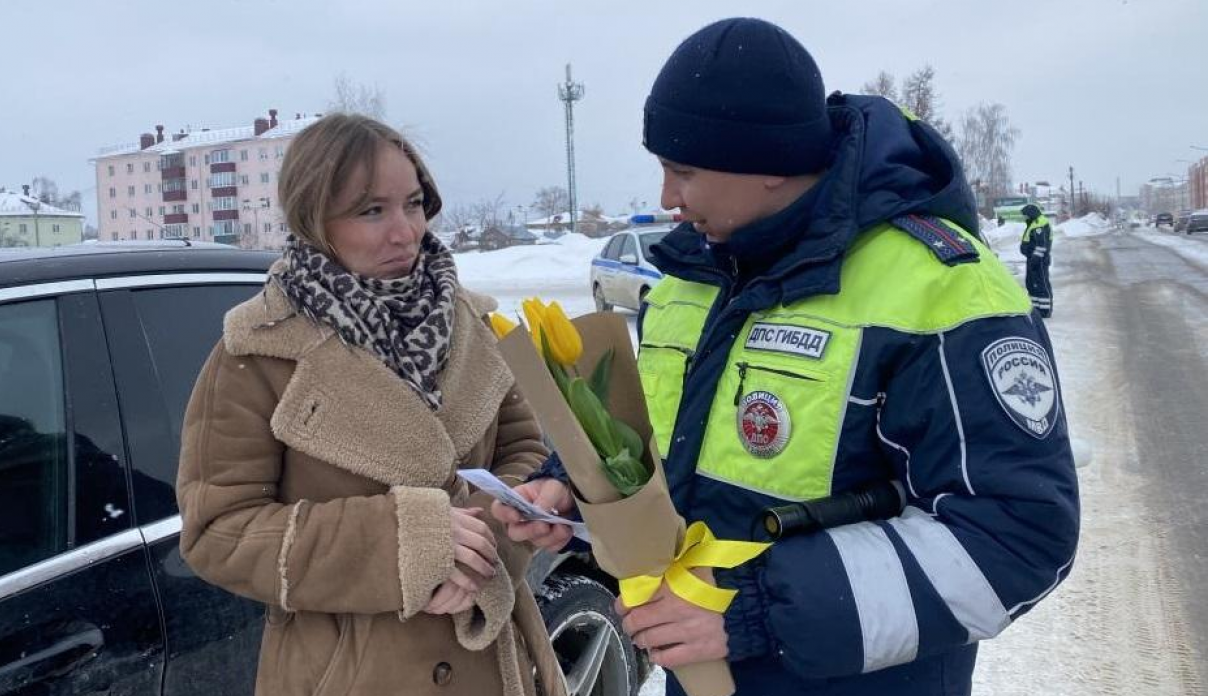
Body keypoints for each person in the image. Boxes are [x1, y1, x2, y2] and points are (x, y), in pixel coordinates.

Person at [495, 17, 1079, 696]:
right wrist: (567, 489)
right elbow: (664, 441)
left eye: (683, 171)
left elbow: (1016, 534)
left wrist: (749, 613)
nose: (667, 200)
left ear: (768, 164)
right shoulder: (692, 274)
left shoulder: (942, 284)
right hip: (706, 677)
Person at [177, 113, 565, 696]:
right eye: (371, 211)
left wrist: (484, 550)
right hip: (347, 672)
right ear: (314, 219)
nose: (405, 232)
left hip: (491, 654)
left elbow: (525, 454)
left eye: (413, 203)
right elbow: (218, 531)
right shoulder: (257, 352)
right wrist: (403, 544)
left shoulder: (475, 326)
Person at [1020, 203, 1054, 317]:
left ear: (1031, 214)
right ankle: (1036, 308)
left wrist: (1035, 259)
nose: (1024, 218)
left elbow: (1041, 245)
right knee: (1031, 284)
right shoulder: (1034, 223)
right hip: (1032, 259)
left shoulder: (1039, 224)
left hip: (1039, 261)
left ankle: (1045, 310)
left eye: (1025, 215)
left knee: (1041, 284)